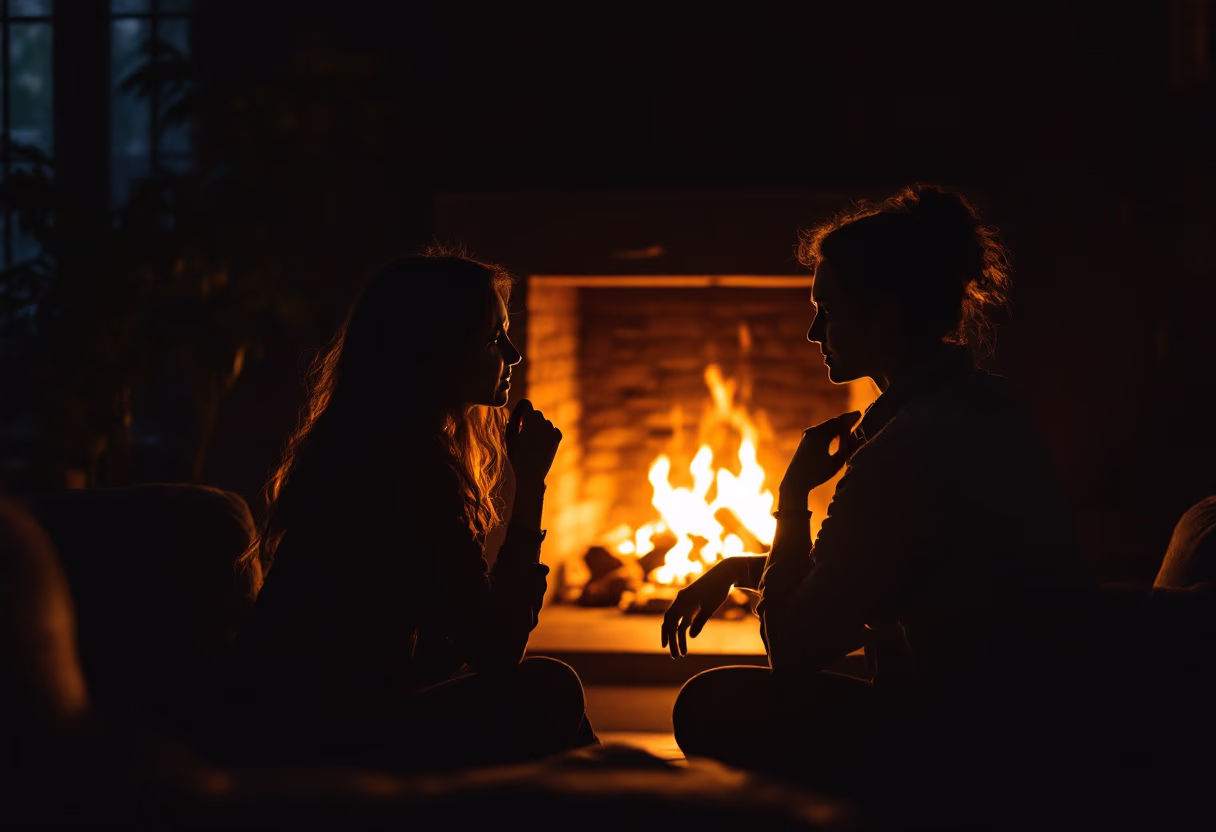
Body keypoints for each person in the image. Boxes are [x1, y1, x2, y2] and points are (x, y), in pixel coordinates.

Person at [661, 186, 1095, 793]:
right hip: (1034, 715)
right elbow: (878, 569)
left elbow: (795, 646)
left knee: (708, 703)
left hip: (967, 739)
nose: (814, 332)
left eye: (829, 310)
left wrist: (791, 499)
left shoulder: (906, 449)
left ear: (886, 314)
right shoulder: (988, 404)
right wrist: (738, 563)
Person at [220, 250, 595, 770]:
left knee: (558, 714)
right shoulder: (408, 463)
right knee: (549, 688)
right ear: (438, 349)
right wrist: (530, 486)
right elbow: (497, 647)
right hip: (324, 734)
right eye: (493, 338)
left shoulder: (379, 444)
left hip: (329, 714)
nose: (513, 354)